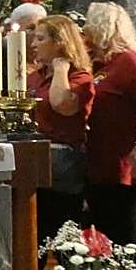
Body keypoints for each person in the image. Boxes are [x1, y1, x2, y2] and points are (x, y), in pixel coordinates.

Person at [83, 2, 136, 246]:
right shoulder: (98, 64)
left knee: (125, 230)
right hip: (99, 161)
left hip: (125, 162)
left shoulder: (130, 62)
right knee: (101, 231)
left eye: (90, 23)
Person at [27, 14, 94, 242]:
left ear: (59, 42)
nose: (33, 44)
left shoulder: (80, 77)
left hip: (64, 168)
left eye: (40, 38)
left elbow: (61, 104)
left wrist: (61, 70)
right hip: (36, 163)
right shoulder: (35, 77)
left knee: (59, 232)